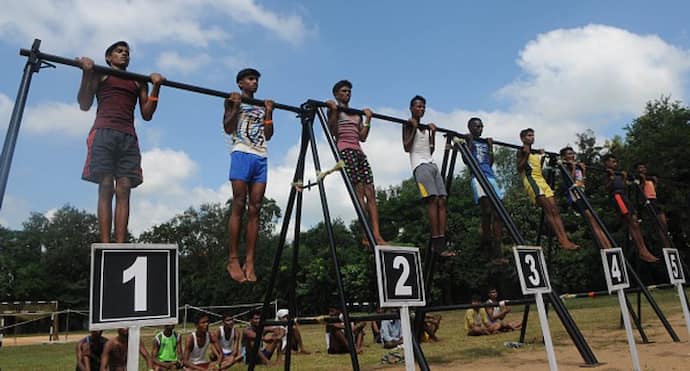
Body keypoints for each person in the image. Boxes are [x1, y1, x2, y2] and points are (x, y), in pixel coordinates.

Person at [76, 41, 165, 243]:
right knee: (106, 185)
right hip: (103, 132)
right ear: (109, 57)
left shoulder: (137, 81)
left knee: (124, 187)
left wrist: (156, 88)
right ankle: (106, 244)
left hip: (128, 136)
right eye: (119, 51)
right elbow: (84, 104)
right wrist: (86, 73)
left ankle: (120, 244)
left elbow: (147, 114)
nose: (124, 54)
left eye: (127, 52)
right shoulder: (101, 73)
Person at [224, 68, 275, 283]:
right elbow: (227, 128)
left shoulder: (262, 105)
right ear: (240, 83)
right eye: (250, 79)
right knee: (239, 203)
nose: (254, 83)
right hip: (241, 153)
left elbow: (269, 135)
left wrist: (270, 112)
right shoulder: (232, 100)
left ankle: (250, 261)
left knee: (256, 208)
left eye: (256, 80)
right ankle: (233, 259)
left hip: (260, 156)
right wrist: (235, 107)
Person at [326, 80, 387, 246]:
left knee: (371, 192)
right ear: (336, 94)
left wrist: (368, 120)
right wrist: (333, 111)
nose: (347, 94)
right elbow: (332, 131)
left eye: (349, 91)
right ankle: (365, 234)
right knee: (359, 191)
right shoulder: (335, 110)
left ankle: (377, 233)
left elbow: (363, 137)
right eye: (344, 91)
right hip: (345, 150)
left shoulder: (356, 113)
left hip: (359, 151)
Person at [402, 95, 454, 256]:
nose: (421, 109)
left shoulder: (425, 126)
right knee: (432, 199)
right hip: (419, 165)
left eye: (423, 107)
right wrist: (414, 127)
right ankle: (436, 241)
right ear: (411, 108)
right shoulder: (408, 124)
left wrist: (432, 134)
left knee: (443, 199)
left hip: (431, 164)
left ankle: (442, 238)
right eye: (418, 106)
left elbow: (430, 150)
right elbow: (406, 147)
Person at [516, 128, 578, 250]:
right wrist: (526, 153)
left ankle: (564, 239)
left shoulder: (535, 152)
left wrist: (542, 156)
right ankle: (561, 240)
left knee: (555, 209)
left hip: (541, 180)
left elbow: (537, 167)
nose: (532, 138)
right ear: (523, 138)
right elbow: (519, 168)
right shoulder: (521, 151)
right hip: (531, 180)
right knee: (548, 209)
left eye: (533, 135)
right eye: (529, 135)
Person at [603, 155, 659, 262]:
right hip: (617, 197)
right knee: (631, 222)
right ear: (606, 163)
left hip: (624, 196)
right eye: (612, 161)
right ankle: (641, 251)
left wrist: (624, 178)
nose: (615, 164)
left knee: (635, 222)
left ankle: (644, 249)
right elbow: (607, 188)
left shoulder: (619, 174)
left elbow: (624, 186)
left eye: (615, 161)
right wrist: (611, 178)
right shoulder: (607, 174)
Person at [466, 117, 505, 262]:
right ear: (470, 127)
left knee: (499, 212)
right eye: (477, 126)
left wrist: (490, 147)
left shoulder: (484, 142)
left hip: (491, 177)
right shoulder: (469, 140)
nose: (480, 129)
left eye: (481, 126)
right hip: (478, 177)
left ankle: (497, 248)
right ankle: (486, 240)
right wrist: (469, 141)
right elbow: (467, 159)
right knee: (487, 210)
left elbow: (490, 162)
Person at [560, 147, 612, 249]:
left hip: (582, 194)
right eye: (569, 154)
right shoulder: (564, 166)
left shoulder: (578, 167)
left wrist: (583, 171)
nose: (571, 156)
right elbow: (570, 181)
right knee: (591, 219)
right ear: (564, 157)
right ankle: (605, 246)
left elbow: (583, 183)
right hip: (575, 196)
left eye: (572, 153)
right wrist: (574, 167)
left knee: (594, 220)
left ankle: (606, 244)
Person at [635, 162, 671, 249]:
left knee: (663, 223)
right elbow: (640, 191)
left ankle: (667, 243)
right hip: (648, 201)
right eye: (640, 168)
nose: (642, 169)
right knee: (658, 224)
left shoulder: (649, 179)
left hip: (654, 200)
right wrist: (643, 181)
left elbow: (653, 190)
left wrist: (655, 183)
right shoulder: (637, 179)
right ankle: (664, 245)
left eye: (643, 167)